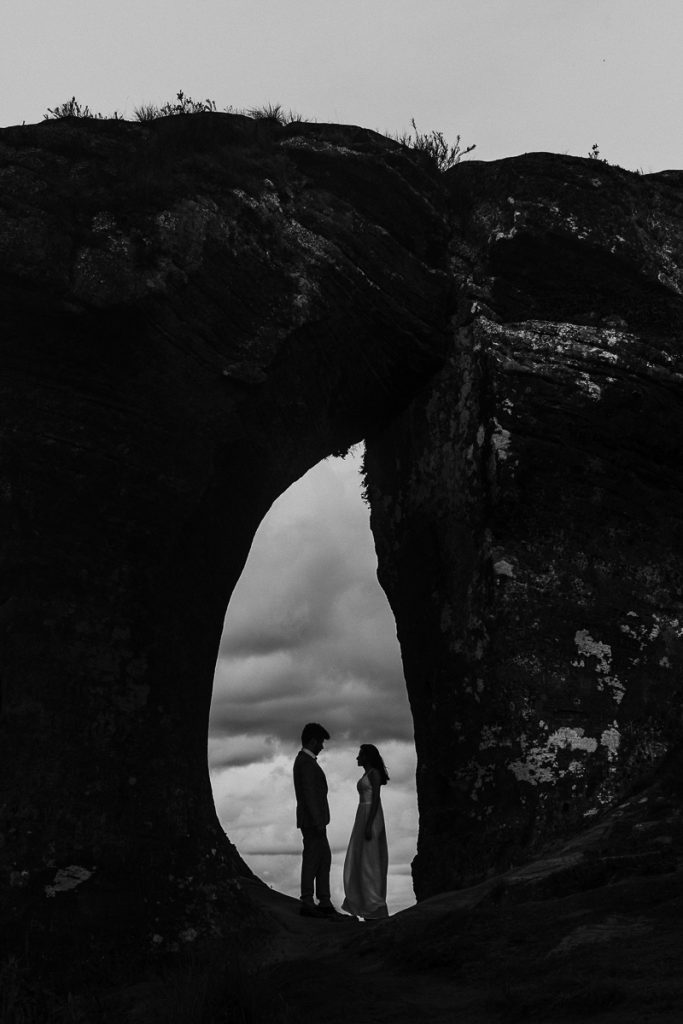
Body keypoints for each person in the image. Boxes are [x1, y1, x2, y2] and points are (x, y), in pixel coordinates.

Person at [293, 722, 338, 918]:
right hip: (313, 821)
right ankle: (309, 901)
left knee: (323, 858)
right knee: (313, 859)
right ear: (312, 741)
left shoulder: (305, 761)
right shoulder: (305, 762)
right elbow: (310, 794)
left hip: (313, 820)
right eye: (320, 742)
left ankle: (323, 899)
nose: (322, 746)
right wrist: (318, 821)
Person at [342, 743, 389, 919]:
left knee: (370, 861)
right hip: (362, 815)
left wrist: (370, 824)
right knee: (359, 859)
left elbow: (376, 799)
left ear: (367, 757)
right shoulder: (367, 774)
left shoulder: (374, 774)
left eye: (360, 755)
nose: (357, 758)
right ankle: (365, 903)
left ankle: (374, 903)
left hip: (370, 815)